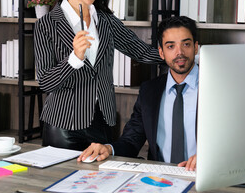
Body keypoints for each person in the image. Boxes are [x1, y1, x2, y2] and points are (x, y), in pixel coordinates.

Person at [33, 0, 162, 151]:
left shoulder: (106, 21)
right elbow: (45, 82)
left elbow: (140, 51)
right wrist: (74, 59)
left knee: (99, 181)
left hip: (102, 122)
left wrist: (177, 57)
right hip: (63, 125)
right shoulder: (46, 25)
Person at [78, 16, 199, 171]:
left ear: (196, 47)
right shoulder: (149, 91)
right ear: (161, 53)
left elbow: (235, 141)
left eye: (186, 44)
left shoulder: (216, 88)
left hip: (204, 176)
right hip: (161, 179)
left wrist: (210, 158)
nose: (179, 52)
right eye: (170, 47)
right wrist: (108, 149)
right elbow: (131, 140)